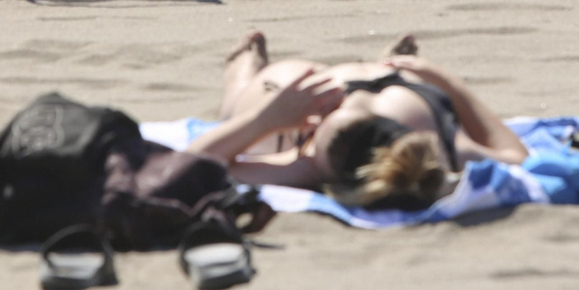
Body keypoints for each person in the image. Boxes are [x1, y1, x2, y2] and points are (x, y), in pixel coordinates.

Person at [186, 32, 530, 210]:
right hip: (405, 88)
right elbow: (518, 157)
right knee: (273, 95)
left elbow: (192, 165)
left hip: (379, 87)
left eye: (319, 124)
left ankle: (243, 75)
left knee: (240, 107)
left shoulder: (305, 166)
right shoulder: (438, 150)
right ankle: (394, 64)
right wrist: (449, 84)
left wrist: (268, 118)